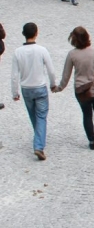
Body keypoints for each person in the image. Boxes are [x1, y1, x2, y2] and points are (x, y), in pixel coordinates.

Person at [56, 27, 94, 150]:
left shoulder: (72, 54)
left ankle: (91, 140)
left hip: (81, 89)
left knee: (87, 114)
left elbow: (66, 75)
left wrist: (59, 88)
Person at [11, 22, 57, 160]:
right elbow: (51, 70)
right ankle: (38, 145)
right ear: (36, 33)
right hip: (40, 87)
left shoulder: (17, 52)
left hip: (26, 88)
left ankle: (38, 139)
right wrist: (53, 84)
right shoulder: (42, 50)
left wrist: (15, 92)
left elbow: (14, 75)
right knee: (41, 116)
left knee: (33, 116)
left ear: (23, 34)